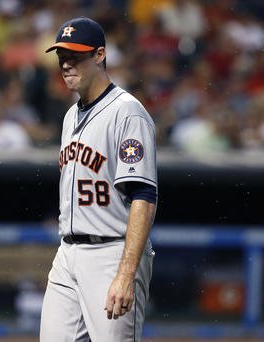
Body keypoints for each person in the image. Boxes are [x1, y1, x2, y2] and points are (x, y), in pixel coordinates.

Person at [39, 17, 158, 342]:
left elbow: (144, 197)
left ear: (100, 55)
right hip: (67, 253)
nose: (66, 64)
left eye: (75, 56)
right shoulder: (69, 116)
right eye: (62, 57)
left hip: (111, 253)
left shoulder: (127, 112)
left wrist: (125, 273)